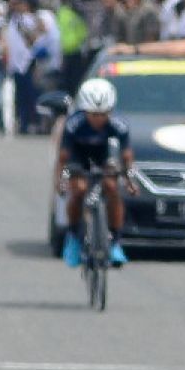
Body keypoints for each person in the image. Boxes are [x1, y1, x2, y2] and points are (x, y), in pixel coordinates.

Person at [56, 78, 139, 267]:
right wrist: (60, 182)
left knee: (111, 187)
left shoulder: (119, 125)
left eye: (103, 114)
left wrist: (130, 180)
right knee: (78, 190)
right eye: (93, 114)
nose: (98, 119)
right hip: (79, 156)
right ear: (84, 110)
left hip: (105, 155)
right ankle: (74, 238)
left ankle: (116, 242)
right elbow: (63, 158)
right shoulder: (73, 125)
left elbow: (126, 157)